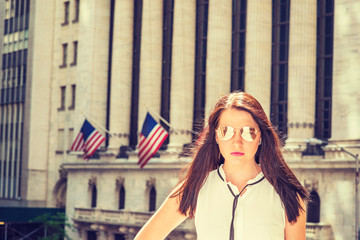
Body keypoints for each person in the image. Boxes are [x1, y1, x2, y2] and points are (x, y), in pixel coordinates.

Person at [134, 91, 309, 240]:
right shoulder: (195, 187)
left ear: (261, 136)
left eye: (248, 132)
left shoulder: (289, 196)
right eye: (227, 131)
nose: (237, 142)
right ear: (216, 136)